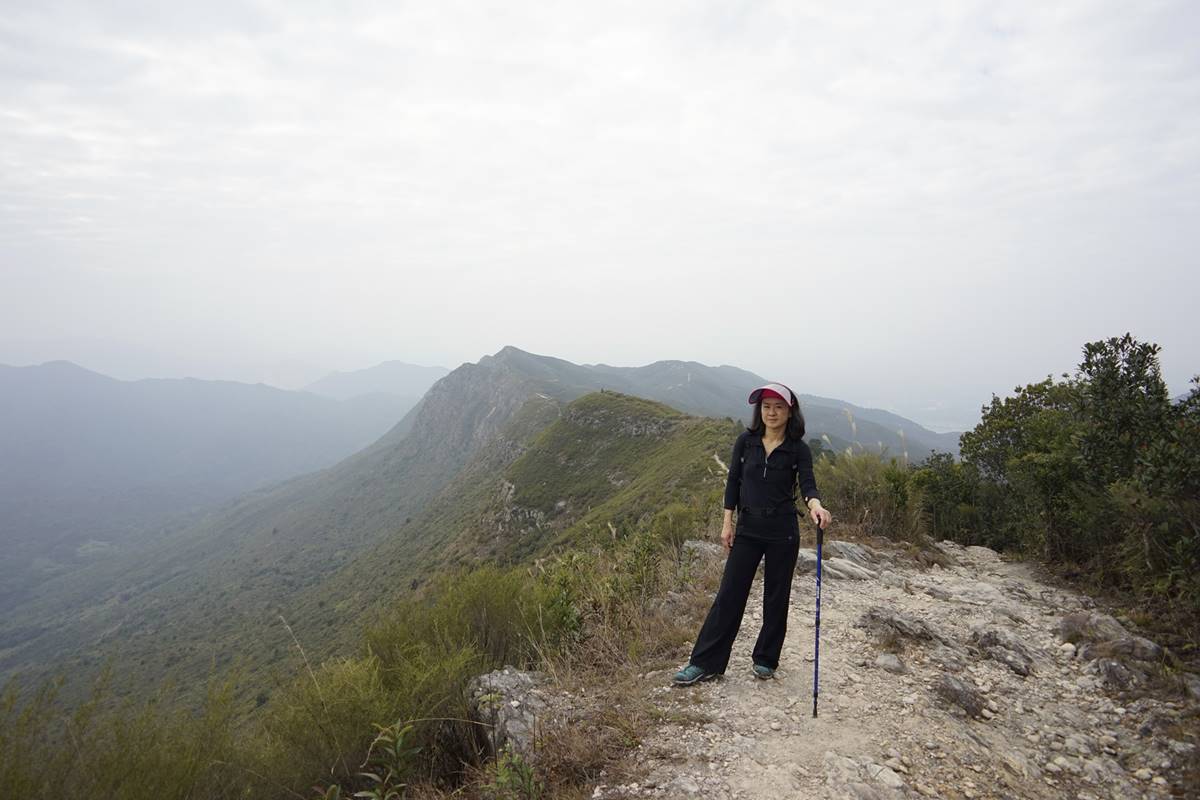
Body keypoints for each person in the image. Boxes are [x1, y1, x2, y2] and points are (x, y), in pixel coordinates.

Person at [673, 382, 831, 685]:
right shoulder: (746, 442)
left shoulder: (798, 449)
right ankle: (704, 663)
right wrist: (727, 523)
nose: (771, 412)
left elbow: (808, 485)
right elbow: (733, 482)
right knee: (729, 595)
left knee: (776, 596)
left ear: (790, 412)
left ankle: (766, 659)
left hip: (783, 531)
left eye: (778, 407)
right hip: (748, 528)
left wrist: (816, 506)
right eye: (766, 407)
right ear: (760, 411)